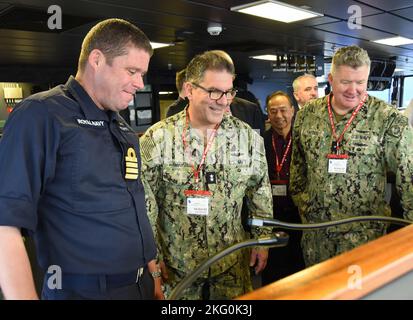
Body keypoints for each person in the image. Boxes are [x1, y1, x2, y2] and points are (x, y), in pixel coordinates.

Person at [0, 18, 162, 300]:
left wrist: (151, 273)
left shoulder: (122, 128)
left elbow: (131, 207)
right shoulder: (42, 114)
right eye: (132, 71)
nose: (140, 83)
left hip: (140, 285)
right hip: (82, 292)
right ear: (97, 60)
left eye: (143, 73)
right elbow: (5, 224)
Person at [140, 50, 273, 299]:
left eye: (229, 92)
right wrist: (153, 259)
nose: (223, 101)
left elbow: (260, 191)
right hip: (177, 270)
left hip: (231, 266)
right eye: (214, 91)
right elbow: (145, 206)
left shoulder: (246, 137)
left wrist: (262, 238)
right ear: (189, 89)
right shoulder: (158, 138)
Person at [290, 45, 413, 267]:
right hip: (317, 234)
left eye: (360, 83)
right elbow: (297, 165)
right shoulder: (307, 115)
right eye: (345, 82)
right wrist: (304, 204)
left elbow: (409, 174)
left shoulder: (387, 119)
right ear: (330, 78)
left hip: (364, 236)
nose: (353, 90)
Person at [261, 91, 305, 285]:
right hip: (271, 215)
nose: (279, 116)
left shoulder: (304, 138)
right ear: (267, 114)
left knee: (300, 270)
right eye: (273, 111)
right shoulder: (260, 141)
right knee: (273, 272)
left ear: (292, 111)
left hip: (299, 215)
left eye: (283, 110)